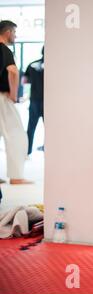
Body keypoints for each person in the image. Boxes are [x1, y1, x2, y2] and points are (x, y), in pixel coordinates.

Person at [0, 20, 31, 185]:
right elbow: (12, 72)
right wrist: (13, 95)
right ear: (7, 32)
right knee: (17, 135)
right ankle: (16, 176)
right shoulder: (4, 49)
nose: (15, 36)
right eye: (14, 32)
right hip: (2, 98)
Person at [23, 46, 44, 155]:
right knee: (50, 127)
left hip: (34, 100)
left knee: (31, 127)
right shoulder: (54, 65)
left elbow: (25, 80)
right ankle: (48, 148)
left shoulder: (32, 65)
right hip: (47, 102)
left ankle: (27, 151)